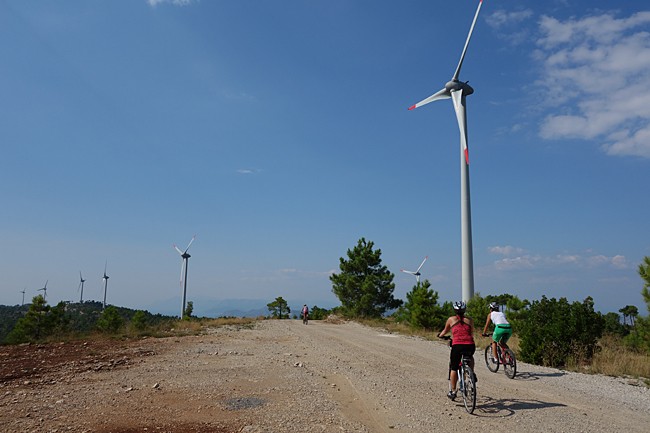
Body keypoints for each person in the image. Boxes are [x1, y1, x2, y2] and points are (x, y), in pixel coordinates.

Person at [438, 301, 476, 400]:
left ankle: (453, 391)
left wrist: (440, 336)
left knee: (454, 368)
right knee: (470, 357)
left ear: (455, 310)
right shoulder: (470, 320)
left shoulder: (451, 319)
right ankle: (472, 373)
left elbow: (445, 331)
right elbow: (471, 332)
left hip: (457, 345)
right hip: (470, 345)